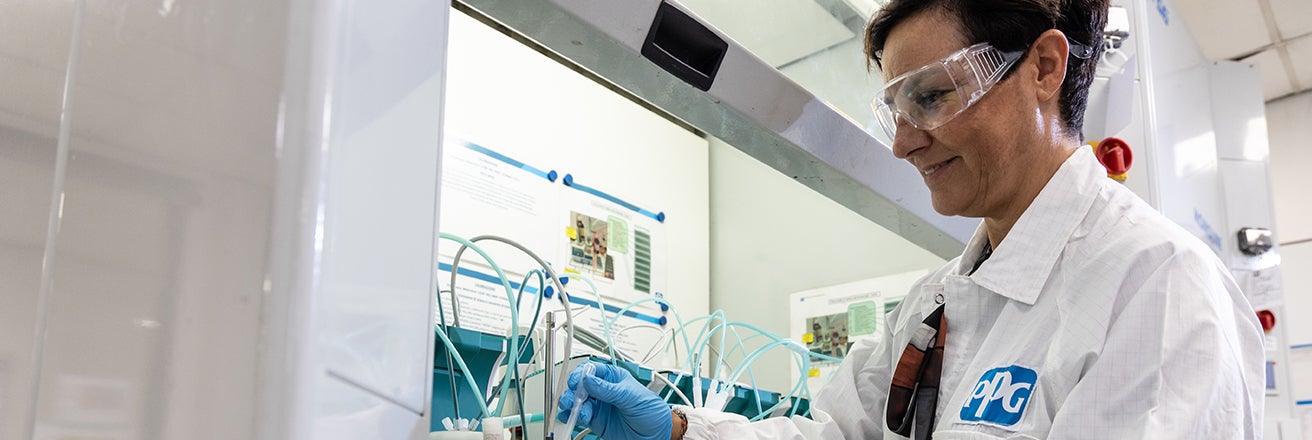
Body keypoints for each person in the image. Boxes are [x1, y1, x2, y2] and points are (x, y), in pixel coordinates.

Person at [555, 0, 1265, 438]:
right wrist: (681, 431)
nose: (902, 142)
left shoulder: (1157, 289)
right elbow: (834, 436)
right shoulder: (935, 305)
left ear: (1045, 68)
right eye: (896, 110)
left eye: (931, 97)